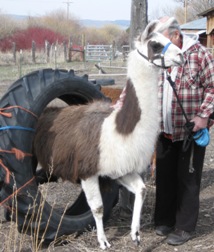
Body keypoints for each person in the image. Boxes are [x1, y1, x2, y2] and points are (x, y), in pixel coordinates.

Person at [154, 17, 214, 246]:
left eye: (162, 40)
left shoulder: (199, 54)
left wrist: (203, 116)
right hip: (165, 129)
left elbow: (212, 86)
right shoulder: (160, 56)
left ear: (176, 36)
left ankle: (184, 227)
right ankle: (165, 220)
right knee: (165, 176)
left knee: (187, 179)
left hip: (190, 130)